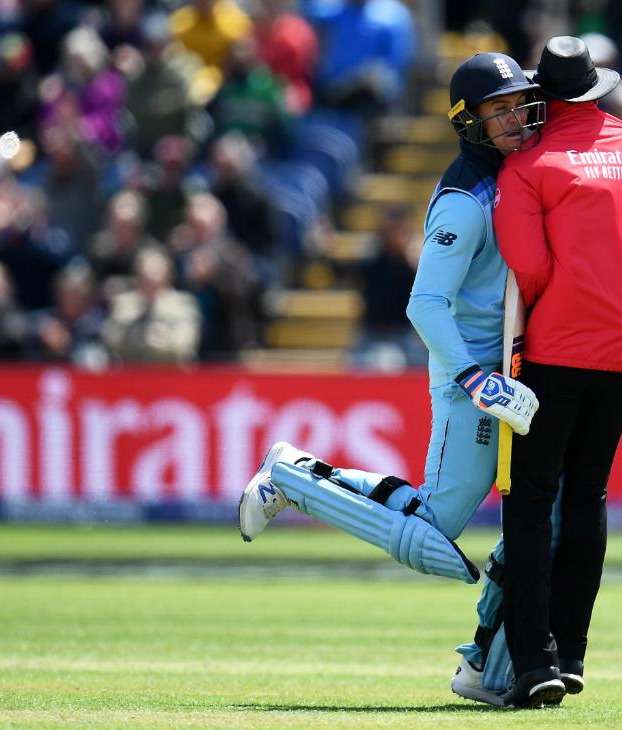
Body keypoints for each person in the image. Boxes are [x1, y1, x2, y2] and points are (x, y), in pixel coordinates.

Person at [236, 46, 545, 656]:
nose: (514, 120)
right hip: (471, 372)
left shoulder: (512, 173)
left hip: (499, 366)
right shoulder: (464, 198)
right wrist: (474, 380)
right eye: (498, 111)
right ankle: (294, 480)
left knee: (446, 513)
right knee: (435, 534)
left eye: (519, 107)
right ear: (467, 120)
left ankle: (297, 472)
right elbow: (424, 303)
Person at [491, 36, 622, 708]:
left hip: (558, 346)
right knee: (586, 499)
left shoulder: (529, 165)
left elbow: (527, 267)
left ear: (541, 96)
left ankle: (535, 662)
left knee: (531, 502)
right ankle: (576, 650)